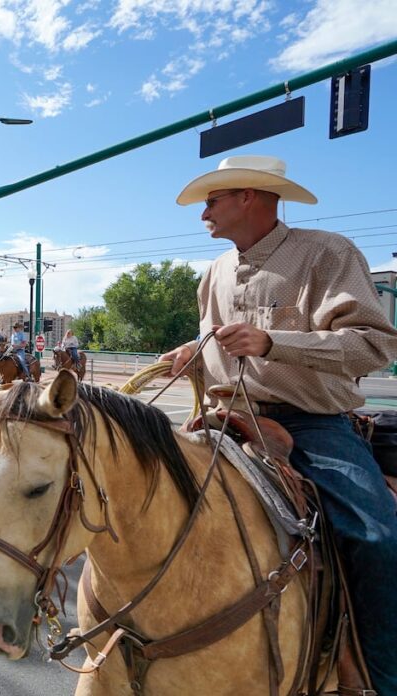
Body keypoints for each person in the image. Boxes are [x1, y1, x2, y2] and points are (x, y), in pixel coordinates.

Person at [158, 155, 397, 694]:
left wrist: (273, 341)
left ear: (249, 196)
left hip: (312, 425)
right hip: (224, 419)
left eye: (211, 202)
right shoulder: (214, 273)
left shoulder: (327, 254)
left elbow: (375, 345)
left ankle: (382, 679)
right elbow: (218, 347)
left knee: (378, 536)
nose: (203, 216)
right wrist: (192, 355)